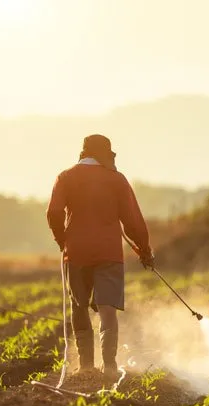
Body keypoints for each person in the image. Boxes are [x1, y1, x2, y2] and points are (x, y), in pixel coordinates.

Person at [46, 134, 154, 383]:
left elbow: (53, 212)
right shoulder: (116, 179)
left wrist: (62, 241)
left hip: (76, 252)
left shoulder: (65, 177)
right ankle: (109, 366)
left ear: (83, 153)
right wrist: (145, 250)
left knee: (79, 305)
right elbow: (133, 221)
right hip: (108, 253)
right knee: (107, 311)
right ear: (106, 155)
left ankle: (85, 366)